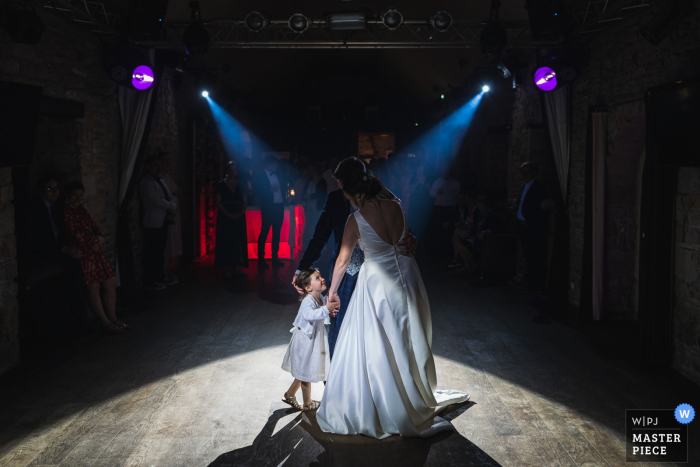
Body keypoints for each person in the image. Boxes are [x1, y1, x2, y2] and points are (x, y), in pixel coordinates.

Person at [316, 171, 470, 439]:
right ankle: (412, 391)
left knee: (381, 341)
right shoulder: (397, 205)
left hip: (378, 280)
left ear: (353, 194)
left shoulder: (355, 219)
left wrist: (332, 292)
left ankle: (390, 401)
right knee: (408, 335)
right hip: (408, 274)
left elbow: (342, 260)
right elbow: (407, 236)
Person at [291, 157, 416, 360]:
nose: (339, 185)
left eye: (341, 181)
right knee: (339, 322)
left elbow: (403, 231)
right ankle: (337, 375)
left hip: (379, 273)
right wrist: (301, 269)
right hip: (346, 273)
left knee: (378, 325)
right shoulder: (335, 199)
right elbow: (319, 237)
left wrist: (413, 240)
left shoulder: (385, 199)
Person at [20, 176, 91, 335]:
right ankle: (80, 321)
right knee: (74, 268)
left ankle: (94, 308)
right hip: (43, 252)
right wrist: (64, 249)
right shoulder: (33, 209)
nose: (54, 192)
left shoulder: (58, 206)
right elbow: (37, 240)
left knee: (88, 260)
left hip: (61, 247)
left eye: (57, 188)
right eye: (49, 189)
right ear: (40, 191)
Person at [59, 182, 128, 334]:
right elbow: (75, 235)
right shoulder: (65, 212)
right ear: (67, 195)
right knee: (93, 286)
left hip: (96, 252)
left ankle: (113, 317)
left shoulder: (82, 210)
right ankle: (104, 322)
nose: (78, 198)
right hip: (84, 254)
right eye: (75, 195)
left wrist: (100, 238)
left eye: (81, 195)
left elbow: (95, 228)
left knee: (110, 282)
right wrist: (97, 240)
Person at [281, 269, 340, 411]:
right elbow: (309, 315)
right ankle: (307, 403)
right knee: (306, 372)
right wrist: (326, 309)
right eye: (317, 278)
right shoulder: (308, 300)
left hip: (311, 339)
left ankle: (290, 394)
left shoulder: (320, 297)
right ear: (308, 288)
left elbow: (322, 311)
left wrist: (329, 309)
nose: (322, 279)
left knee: (303, 370)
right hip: (304, 341)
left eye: (321, 276)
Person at [139, 155, 178, 290]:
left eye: (160, 165)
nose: (159, 168)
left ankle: (159, 277)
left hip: (163, 220)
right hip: (153, 222)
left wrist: (172, 206)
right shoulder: (146, 182)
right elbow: (156, 200)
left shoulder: (160, 181)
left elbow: (170, 196)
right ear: (148, 167)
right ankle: (152, 281)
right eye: (156, 165)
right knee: (153, 252)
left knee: (159, 251)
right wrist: (172, 207)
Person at [214, 161, 249, 278]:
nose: (232, 172)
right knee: (225, 240)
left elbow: (244, 200)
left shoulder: (241, 184)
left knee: (237, 240)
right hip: (225, 216)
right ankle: (225, 268)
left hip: (238, 215)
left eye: (234, 169)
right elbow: (218, 202)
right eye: (230, 170)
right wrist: (228, 214)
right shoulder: (220, 184)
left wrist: (241, 212)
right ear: (226, 171)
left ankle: (236, 266)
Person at [515, 162, 545, 293]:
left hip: (530, 227)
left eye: (526, 172)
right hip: (522, 226)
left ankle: (534, 284)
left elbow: (538, 209)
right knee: (526, 255)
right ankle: (528, 279)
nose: (523, 175)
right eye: (522, 172)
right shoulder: (525, 186)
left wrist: (529, 221)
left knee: (533, 256)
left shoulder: (537, 188)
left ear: (533, 173)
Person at [452, 196, 499, 273]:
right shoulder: (479, 215)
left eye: (482, 206)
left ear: (487, 205)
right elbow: (474, 227)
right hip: (475, 236)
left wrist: (485, 232)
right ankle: (469, 266)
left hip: (484, 239)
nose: (480, 208)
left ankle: (470, 266)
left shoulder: (491, 215)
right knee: (458, 244)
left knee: (462, 247)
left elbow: (495, 229)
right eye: (479, 206)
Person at [255, 156, 285, 269]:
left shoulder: (279, 175)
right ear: (269, 165)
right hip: (268, 207)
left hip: (279, 206)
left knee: (277, 233)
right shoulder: (260, 177)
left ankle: (275, 258)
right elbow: (257, 192)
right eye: (275, 164)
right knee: (264, 233)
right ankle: (261, 259)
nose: (277, 166)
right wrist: (269, 190)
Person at [429, 164, 461, 254]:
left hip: (449, 208)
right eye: (443, 170)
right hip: (439, 208)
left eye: (447, 170)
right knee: (438, 228)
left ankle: (448, 249)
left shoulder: (454, 183)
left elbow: (457, 194)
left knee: (448, 229)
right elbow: (431, 193)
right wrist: (437, 192)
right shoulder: (437, 182)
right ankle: (438, 249)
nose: (445, 172)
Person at [161, 154, 182, 284]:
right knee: (168, 242)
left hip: (173, 209)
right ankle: (164, 271)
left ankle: (168, 269)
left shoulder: (167, 177)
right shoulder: (160, 179)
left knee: (172, 241)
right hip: (168, 211)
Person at [302, 164, 327, 251]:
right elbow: (303, 195)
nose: (311, 172)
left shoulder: (322, 181)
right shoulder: (309, 181)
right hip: (309, 208)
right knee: (308, 227)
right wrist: (310, 197)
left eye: (313, 170)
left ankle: (318, 247)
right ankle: (309, 246)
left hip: (318, 208)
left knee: (317, 227)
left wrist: (310, 196)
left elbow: (321, 195)